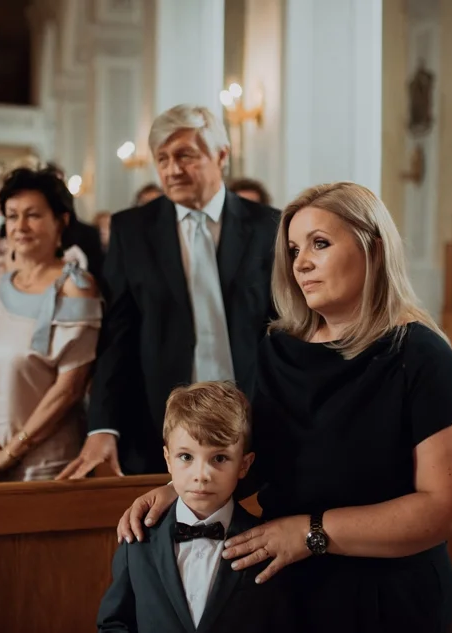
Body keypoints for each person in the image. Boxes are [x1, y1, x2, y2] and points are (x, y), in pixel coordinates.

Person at [114, 182, 452, 632]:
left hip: (386, 594)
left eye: (320, 244)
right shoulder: (278, 349)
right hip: (286, 585)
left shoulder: (422, 356)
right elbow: (254, 458)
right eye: (294, 250)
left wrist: (310, 532)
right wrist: (178, 490)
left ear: (373, 249)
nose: (301, 263)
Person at [57, 104, 279, 479]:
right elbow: (118, 336)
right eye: (162, 159)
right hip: (159, 423)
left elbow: (285, 327)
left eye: (185, 156)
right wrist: (103, 425)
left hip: (256, 417)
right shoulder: (132, 230)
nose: (172, 169)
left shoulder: (269, 226)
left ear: (221, 155)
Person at [96, 381, 290, 633]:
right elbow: (113, 623)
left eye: (219, 458)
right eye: (186, 457)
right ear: (168, 459)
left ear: (244, 465)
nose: (201, 475)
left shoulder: (265, 544)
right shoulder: (138, 540)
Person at [0, 168, 102, 483]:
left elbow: (69, 388)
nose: (20, 226)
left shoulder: (75, 287)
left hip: (46, 466)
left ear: (61, 221)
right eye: (12, 216)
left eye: (33, 215)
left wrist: (9, 454)